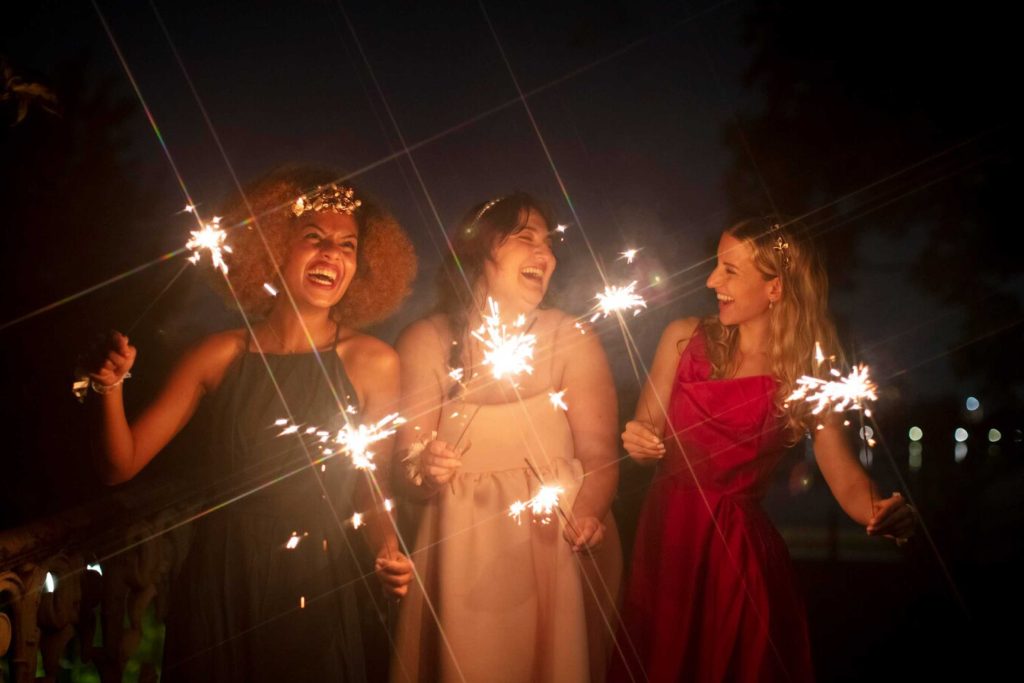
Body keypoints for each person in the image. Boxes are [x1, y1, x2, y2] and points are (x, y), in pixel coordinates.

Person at [85, 166, 417, 682]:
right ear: (273, 246)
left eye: (348, 245)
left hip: (317, 580)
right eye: (315, 238)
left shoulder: (374, 362)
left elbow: (369, 489)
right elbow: (119, 466)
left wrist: (386, 548)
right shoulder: (217, 355)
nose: (332, 253)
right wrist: (109, 387)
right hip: (221, 578)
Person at [610, 217, 917, 682]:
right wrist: (636, 440)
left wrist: (882, 510)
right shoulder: (681, 338)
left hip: (736, 559)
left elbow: (846, 477)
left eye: (730, 271)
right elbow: (643, 435)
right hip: (665, 541)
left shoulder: (805, 376)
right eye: (716, 267)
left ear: (775, 287)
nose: (712, 281)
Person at [390, 194, 622, 682]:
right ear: (479, 252)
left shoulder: (570, 336)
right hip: (459, 548)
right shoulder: (425, 341)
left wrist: (588, 516)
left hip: (552, 544)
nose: (547, 255)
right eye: (526, 238)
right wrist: (425, 468)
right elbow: (407, 469)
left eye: (549, 243)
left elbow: (599, 452)